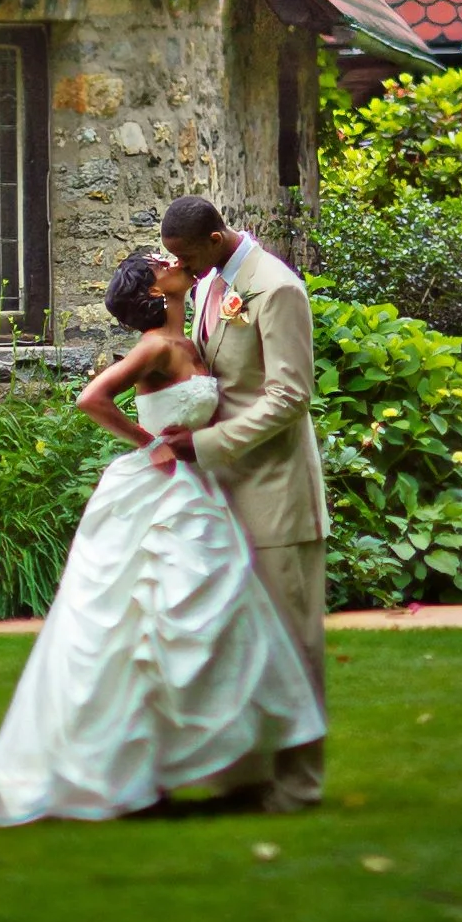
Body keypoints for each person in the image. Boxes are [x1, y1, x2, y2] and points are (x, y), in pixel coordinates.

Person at [0, 247, 322, 829]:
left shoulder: (195, 338)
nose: (171, 259)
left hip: (198, 488)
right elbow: (90, 398)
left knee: (208, 618)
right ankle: (127, 764)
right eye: (161, 261)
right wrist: (149, 443)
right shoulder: (156, 347)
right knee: (142, 621)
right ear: (157, 292)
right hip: (160, 491)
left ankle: (194, 762)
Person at [151, 193, 330, 812]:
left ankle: (299, 785)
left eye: (187, 255)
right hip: (225, 494)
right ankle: (244, 778)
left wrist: (206, 443)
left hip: (278, 494)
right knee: (236, 643)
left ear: (218, 236)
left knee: (291, 644)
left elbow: (289, 397)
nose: (183, 266)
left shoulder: (277, 289)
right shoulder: (208, 285)